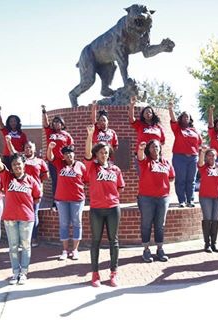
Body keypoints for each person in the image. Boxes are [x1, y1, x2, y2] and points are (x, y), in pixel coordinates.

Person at [0, 140, 42, 285]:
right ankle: (15, 272)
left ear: (24, 165)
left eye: (19, 164)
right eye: (14, 165)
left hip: (26, 218)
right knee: (13, 246)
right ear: (11, 168)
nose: (17, 166)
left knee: (25, 246)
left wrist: (25, 206)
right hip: (10, 218)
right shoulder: (7, 178)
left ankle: (24, 272)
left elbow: (37, 198)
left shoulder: (31, 181)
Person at [85, 125, 125, 287]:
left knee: (113, 241)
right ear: (96, 154)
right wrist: (89, 136)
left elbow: (120, 187)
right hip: (96, 209)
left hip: (113, 209)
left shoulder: (115, 169)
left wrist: (110, 197)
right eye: (101, 152)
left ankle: (113, 273)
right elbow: (87, 154)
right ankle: (95, 274)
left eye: (106, 152)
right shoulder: (92, 167)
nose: (104, 154)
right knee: (95, 241)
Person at [6, 136, 49, 248]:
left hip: (33, 191)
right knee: (21, 214)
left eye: (30, 147)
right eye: (26, 147)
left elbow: (46, 175)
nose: (28, 149)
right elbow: (13, 152)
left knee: (33, 214)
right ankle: (21, 240)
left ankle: (32, 238)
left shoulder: (40, 161)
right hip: (20, 191)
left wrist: (39, 184)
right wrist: (9, 141)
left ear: (34, 149)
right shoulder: (21, 159)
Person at [137, 140, 175, 263]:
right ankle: (146, 250)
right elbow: (140, 156)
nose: (155, 149)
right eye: (152, 147)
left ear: (160, 148)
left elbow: (171, 177)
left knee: (160, 225)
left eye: (157, 146)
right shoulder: (145, 162)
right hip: (146, 198)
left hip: (162, 198)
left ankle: (160, 249)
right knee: (146, 224)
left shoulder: (166, 163)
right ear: (149, 149)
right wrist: (141, 149)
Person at [47, 143, 86, 261]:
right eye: (66, 153)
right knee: (64, 224)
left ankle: (75, 250)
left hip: (77, 199)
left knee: (76, 223)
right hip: (61, 200)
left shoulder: (80, 165)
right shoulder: (60, 164)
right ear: (63, 156)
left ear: (74, 154)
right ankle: (64, 250)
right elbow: (50, 157)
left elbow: (86, 179)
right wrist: (50, 148)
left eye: (70, 152)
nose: (68, 155)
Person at [168, 101, 202, 207]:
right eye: (183, 116)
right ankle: (181, 200)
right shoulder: (177, 129)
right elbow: (173, 119)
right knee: (181, 179)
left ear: (190, 119)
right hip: (180, 157)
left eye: (187, 116)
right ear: (181, 118)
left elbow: (199, 143)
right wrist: (170, 108)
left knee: (191, 180)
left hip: (193, 158)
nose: (185, 118)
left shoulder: (195, 130)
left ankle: (190, 200)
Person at [42, 104, 74, 207]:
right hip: (52, 161)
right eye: (54, 122)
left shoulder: (66, 135)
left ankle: (66, 199)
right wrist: (44, 112)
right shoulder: (49, 132)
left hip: (63, 162)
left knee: (65, 180)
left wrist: (68, 158)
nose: (56, 124)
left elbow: (71, 147)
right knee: (55, 181)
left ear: (62, 124)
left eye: (58, 122)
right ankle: (56, 201)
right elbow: (46, 123)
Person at [198, 146, 218, 253]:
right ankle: (207, 243)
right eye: (209, 155)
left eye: (213, 155)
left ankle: (214, 243)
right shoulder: (203, 167)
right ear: (206, 157)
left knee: (215, 219)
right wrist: (202, 152)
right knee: (207, 218)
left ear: (216, 156)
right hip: (205, 197)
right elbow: (200, 162)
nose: (211, 157)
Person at [128, 96, 165, 172]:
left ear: (152, 114)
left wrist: (156, 149)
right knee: (143, 175)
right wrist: (132, 105)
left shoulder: (158, 127)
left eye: (150, 112)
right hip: (142, 154)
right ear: (143, 115)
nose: (148, 114)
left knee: (155, 175)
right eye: (146, 112)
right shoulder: (140, 124)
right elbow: (131, 118)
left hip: (155, 155)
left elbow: (162, 141)